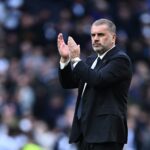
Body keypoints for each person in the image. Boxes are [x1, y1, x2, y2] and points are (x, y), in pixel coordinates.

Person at [57, 18, 132, 150]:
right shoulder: (91, 60)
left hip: (106, 134)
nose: (96, 39)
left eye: (101, 34)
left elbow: (98, 80)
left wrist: (75, 59)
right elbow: (69, 83)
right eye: (93, 35)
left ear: (113, 38)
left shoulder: (120, 60)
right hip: (86, 132)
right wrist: (65, 59)